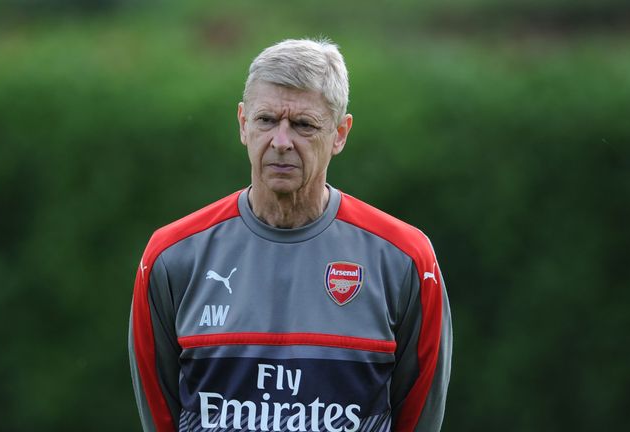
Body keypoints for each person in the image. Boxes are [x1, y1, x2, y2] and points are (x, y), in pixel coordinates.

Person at [129, 38, 452, 432]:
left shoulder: (405, 259)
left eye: (303, 125)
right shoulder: (171, 257)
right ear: (243, 124)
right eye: (267, 120)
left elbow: (420, 418)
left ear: (339, 133)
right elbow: (160, 417)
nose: (281, 142)